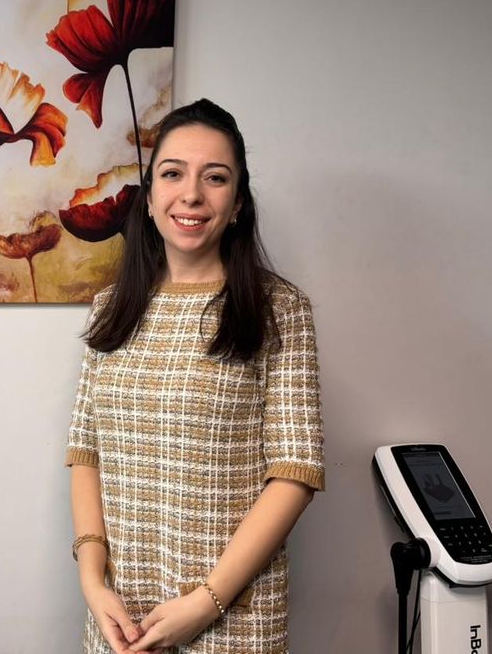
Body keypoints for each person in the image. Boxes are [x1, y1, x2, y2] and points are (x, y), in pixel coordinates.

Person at [66, 99, 324, 654]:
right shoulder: (111, 307)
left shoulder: (280, 309)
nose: (191, 195)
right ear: (149, 198)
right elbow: (86, 451)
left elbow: (295, 474)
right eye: (173, 174)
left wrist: (205, 603)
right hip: (119, 614)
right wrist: (92, 581)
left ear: (238, 203)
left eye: (215, 177)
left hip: (231, 617)